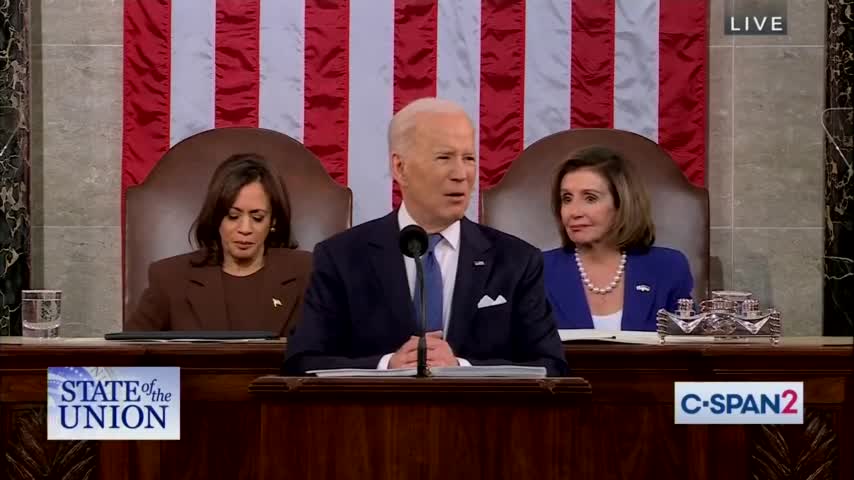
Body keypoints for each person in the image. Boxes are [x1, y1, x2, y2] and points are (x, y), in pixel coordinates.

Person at [283, 98, 567, 376]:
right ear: (400, 168)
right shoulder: (342, 257)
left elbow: (551, 367)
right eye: (444, 157)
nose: (461, 174)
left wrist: (462, 369)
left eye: (468, 158)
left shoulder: (516, 260)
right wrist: (386, 366)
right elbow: (303, 361)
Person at [127, 153, 313, 336]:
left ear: (273, 221)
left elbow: (333, 354)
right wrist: (177, 368)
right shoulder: (169, 278)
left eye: (257, 218)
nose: (245, 229)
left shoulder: (308, 272)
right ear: (216, 217)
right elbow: (123, 362)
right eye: (233, 216)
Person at [543, 146, 693, 331]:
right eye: (567, 198)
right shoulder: (537, 270)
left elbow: (689, 348)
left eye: (590, 198)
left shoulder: (668, 267)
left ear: (622, 203)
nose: (574, 212)